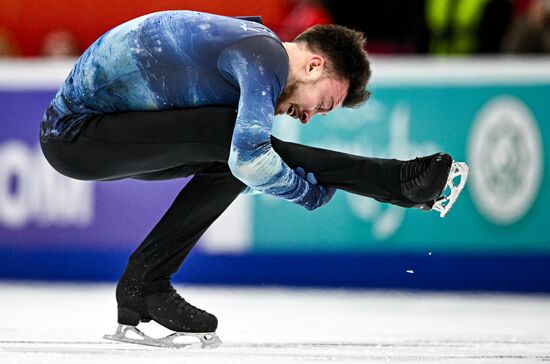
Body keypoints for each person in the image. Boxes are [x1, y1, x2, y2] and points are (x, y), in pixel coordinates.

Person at [39, 10, 467, 347]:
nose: (308, 117)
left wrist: (304, 182)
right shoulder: (262, 54)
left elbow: (241, 161)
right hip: (76, 134)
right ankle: (395, 182)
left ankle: (144, 286)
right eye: (325, 104)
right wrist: (305, 192)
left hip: (102, 130)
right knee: (235, 146)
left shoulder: (254, 44)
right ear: (314, 65)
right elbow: (251, 161)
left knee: (227, 154)